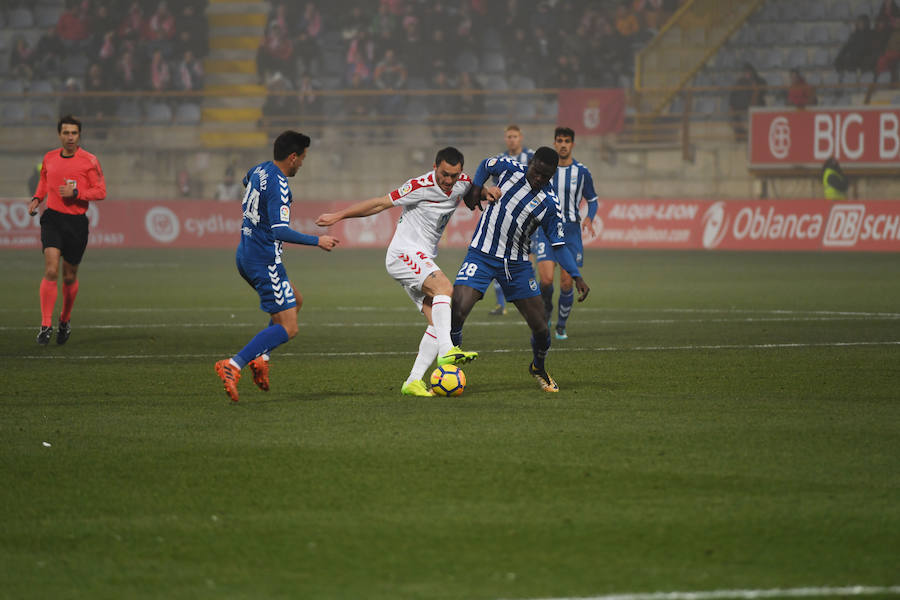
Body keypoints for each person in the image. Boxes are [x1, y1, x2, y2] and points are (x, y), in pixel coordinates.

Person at [315, 147, 479, 397]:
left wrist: (488, 191)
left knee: (438, 321)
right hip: (404, 254)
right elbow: (379, 203)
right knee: (445, 288)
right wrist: (338, 216)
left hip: (421, 258)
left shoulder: (462, 182)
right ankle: (448, 351)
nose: (448, 181)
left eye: (453, 176)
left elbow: (471, 190)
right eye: (444, 174)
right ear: (435, 167)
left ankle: (413, 381)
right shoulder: (418, 186)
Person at [449, 147, 590, 393]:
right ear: (531, 163)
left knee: (541, 328)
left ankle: (538, 366)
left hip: (517, 265)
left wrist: (576, 275)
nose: (538, 179)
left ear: (552, 175)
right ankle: (450, 366)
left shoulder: (549, 204)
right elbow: (485, 163)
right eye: (536, 172)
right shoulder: (510, 167)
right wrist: (476, 187)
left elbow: (559, 246)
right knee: (458, 309)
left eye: (545, 176)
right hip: (481, 254)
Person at [214, 131, 340, 402]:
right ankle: (234, 364)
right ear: (292, 157)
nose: (302, 165)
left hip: (245, 253)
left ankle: (262, 359)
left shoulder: (259, 170)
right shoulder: (280, 186)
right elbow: (280, 230)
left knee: (297, 299)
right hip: (264, 260)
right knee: (289, 328)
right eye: (302, 159)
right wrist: (318, 240)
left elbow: (245, 181)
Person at [27, 115, 107, 345]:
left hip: (76, 223)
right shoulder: (49, 158)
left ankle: (64, 319)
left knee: (69, 276)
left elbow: (100, 191)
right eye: (66, 133)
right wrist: (36, 198)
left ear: (79, 135)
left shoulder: (89, 161)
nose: (70, 137)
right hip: (52, 219)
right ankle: (45, 325)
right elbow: (44, 182)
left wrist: (77, 194)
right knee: (51, 270)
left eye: (74, 133)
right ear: (59, 134)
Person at [532, 127, 598, 340]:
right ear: (554, 143)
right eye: (559, 140)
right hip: (545, 229)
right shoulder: (543, 170)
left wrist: (589, 217)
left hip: (570, 231)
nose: (562, 144)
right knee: (546, 280)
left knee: (567, 283)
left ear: (572, 145)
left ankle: (561, 326)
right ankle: (548, 311)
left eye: (566, 141)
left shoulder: (582, 172)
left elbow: (592, 199)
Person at [488, 124, 535, 316]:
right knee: (498, 257)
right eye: (509, 136)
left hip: (529, 218)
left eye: (515, 136)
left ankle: (529, 298)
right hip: (506, 217)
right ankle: (501, 305)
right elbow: (495, 186)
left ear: (521, 137)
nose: (512, 139)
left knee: (527, 261)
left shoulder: (531, 157)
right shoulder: (499, 160)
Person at [728, 62, 766, 142]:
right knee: (734, 118)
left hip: (751, 108)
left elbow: (762, 94)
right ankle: (740, 137)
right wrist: (731, 106)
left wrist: (755, 87)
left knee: (749, 119)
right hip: (738, 108)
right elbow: (733, 94)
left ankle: (750, 138)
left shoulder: (759, 81)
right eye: (745, 71)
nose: (747, 73)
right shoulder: (740, 81)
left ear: (752, 72)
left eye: (748, 71)